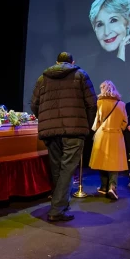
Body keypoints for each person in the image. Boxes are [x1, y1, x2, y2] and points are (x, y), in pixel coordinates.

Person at [31, 52, 97, 222]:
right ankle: (57, 210)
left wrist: (47, 120)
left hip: (51, 132)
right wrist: (85, 125)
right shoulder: (81, 75)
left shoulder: (42, 78)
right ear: (72, 62)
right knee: (67, 169)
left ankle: (60, 204)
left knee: (57, 169)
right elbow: (92, 104)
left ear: (56, 62)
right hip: (74, 130)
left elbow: (34, 104)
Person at [89, 81, 128, 200]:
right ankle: (112, 187)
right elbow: (125, 122)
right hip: (116, 136)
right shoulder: (121, 104)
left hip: (103, 135)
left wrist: (96, 129)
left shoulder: (100, 102)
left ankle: (103, 187)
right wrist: (118, 128)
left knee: (102, 161)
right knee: (114, 163)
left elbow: (98, 120)